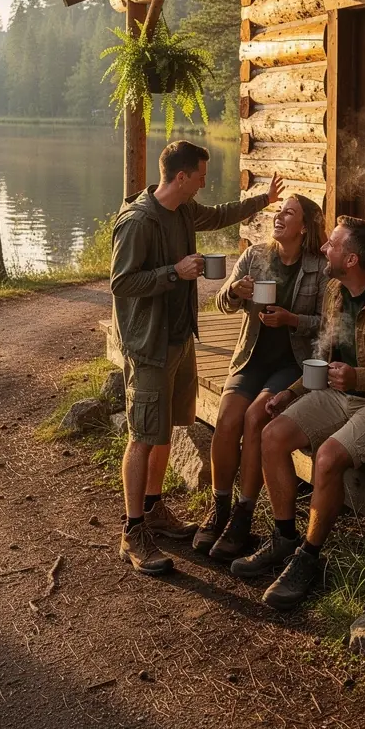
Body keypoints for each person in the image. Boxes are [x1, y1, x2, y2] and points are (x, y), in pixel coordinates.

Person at [111, 139, 284, 576]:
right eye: (201, 177)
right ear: (181, 176)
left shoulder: (185, 209)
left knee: (165, 427)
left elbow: (221, 214)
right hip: (148, 345)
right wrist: (175, 272)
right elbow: (121, 283)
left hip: (178, 339)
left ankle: (153, 509)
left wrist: (264, 200)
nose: (204, 184)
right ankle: (133, 532)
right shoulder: (138, 221)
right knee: (142, 435)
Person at [231, 215, 365, 610]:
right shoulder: (335, 290)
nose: (324, 249)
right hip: (335, 393)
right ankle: (284, 539)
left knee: (327, 457)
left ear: (351, 259)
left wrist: (360, 376)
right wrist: (291, 392)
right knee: (272, 434)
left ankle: (309, 558)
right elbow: (323, 356)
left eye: (332, 245)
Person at [193, 194, 327, 561]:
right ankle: (219, 508)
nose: (279, 217)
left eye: (289, 213)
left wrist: (291, 320)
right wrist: (234, 292)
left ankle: (242, 517)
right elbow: (221, 302)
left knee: (255, 417)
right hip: (251, 358)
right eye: (278, 211)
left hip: (292, 364)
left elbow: (327, 323)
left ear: (304, 227)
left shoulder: (320, 268)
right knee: (227, 418)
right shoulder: (255, 255)